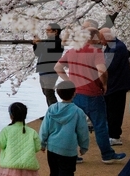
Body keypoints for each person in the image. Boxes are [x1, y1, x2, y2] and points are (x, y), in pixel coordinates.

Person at [54, 27, 126, 163]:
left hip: (75, 94)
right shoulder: (96, 51)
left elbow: (57, 67)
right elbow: (102, 71)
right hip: (93, 93)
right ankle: (107, 155)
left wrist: (69, 82)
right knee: (100, 125)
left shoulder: (71, 51)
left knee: (73, 126)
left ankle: (72, 155)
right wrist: (104, 85)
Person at [39, 81, 89, 176]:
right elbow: (83, 131)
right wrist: (84, 146)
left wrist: (42, 142)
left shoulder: (52, 109)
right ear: (74, 93)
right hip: (68, 147)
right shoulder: (78, 112)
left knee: (54, 168)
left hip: (52, 146)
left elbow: (45, 128)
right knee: (67, 170)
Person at [100, 27, 130, 146]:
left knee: (115, 111)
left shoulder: (117, 47)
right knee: (110, 109)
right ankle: (111, 133)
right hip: (113, 83)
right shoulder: (112, 46)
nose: (100, 41)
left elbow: (109, 66)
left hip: (118, 84)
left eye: (101, 38)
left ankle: (115, 135)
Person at [32, 23, 64, 107]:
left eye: (48, 30)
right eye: (46, 30)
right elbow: (38, 53)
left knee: (49, 92)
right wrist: (35, 44)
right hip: (42, 70)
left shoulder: (58, 42)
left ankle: (56, 111)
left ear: (56, 31)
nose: (46, 32)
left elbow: (48, 53)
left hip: (50, 71)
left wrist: (39, 43)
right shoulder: (46, 41)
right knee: (46, 93)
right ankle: (51, 110)